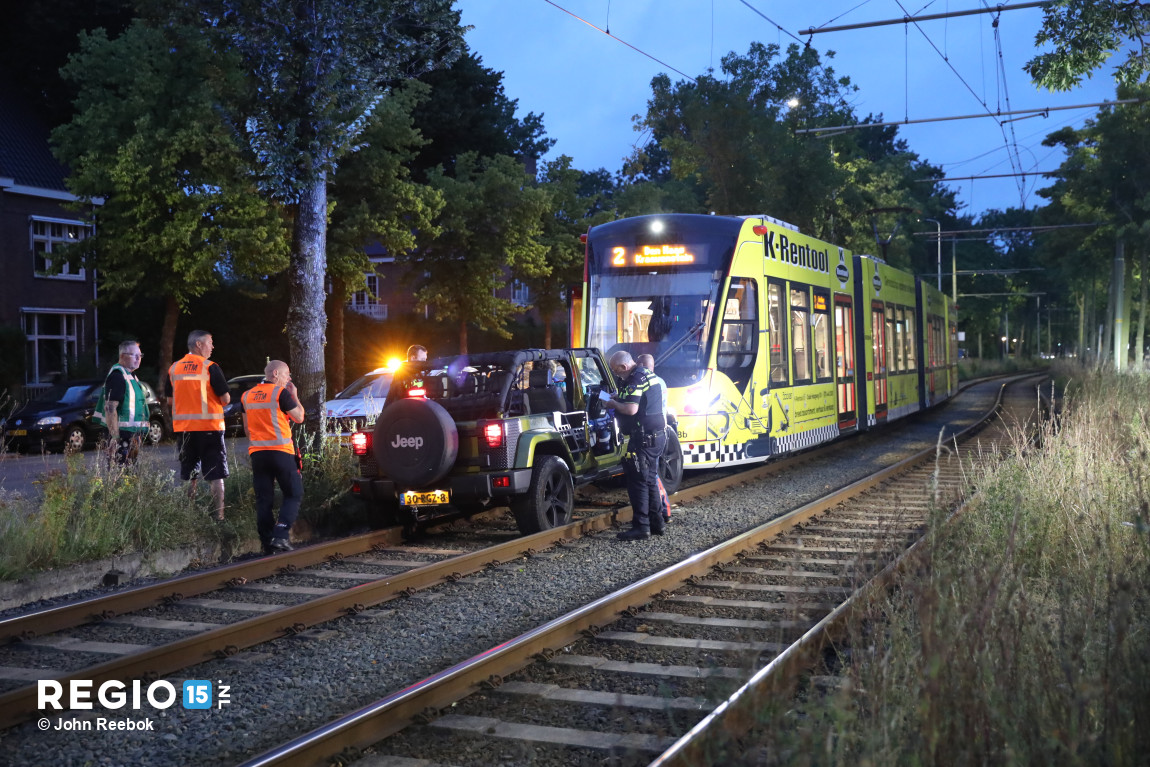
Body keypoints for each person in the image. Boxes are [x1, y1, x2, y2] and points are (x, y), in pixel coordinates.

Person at [601, 350, 667, 540]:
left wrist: (612, 403)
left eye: (617, 371)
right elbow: (636, 398)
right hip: (656, 436)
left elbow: (631, 409)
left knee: (638, 482)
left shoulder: (635, 378)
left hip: (644, 438)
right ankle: (657, 524)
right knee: (650, 480)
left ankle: (641, 527)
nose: (617, 375)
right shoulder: (646, 374)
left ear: (624, 367)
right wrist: (616, 396)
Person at [241, 360, 305, 554]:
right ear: (275, 374)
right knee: (294, 493)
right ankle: (281, 534)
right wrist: (294, 395)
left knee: (264, 499)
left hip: (258, 454)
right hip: (281, 453)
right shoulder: (280, 393)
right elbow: (299, 417)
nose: (288, 379)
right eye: (287, 375)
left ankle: (267, 542)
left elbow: (247, 429)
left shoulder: (247, 396)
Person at [166, 330, 231, 522]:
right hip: (210, 428)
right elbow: (226, 399)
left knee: (189, 474)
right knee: (215, 474)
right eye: (210, 342)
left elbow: (170, 401)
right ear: (199, 345)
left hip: (184, 430)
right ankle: (219, 517)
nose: (212, 347)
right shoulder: (210, 367)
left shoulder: (174, 368)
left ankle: (189, 516)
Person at [94, 340, 150, 465]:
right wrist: (114, 437)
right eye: (134, 355)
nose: (138, 358)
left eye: (140, 355)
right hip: (121, 435)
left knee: (130, 472)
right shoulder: (118, 376)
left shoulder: (131, 375)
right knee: (121, 471)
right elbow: (110, 408)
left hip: (130, 433)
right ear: (122, 356)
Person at [636, 354, 672, 525]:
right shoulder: (661, 381)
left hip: (652, 433)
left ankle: (663, 511)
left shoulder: (646, 382)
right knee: (653, 475)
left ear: (642, 365)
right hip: (661, 431)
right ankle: (661, 513)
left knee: (652, 477)